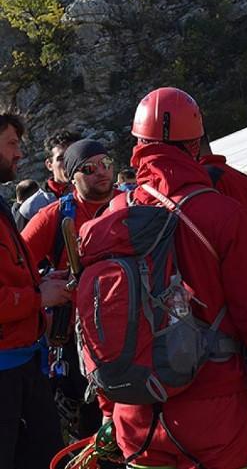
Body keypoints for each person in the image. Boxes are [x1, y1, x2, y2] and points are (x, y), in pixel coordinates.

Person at [81, 87, 247, 469]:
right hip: (214, 412)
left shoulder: (113, 213)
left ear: (138, 143)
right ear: (196, 141)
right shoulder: (222, 214)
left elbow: (98, 320)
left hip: (136, 414)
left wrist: (108, 404)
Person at [22, 139, 121, 441]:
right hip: (77, 338)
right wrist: (41, 289)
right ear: (72, 175)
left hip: (129, 331)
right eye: (89, 169)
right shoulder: (56, 215)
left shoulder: (130, 206)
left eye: (106, 164)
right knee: (88, 425)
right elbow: (14, 265)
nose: (101, 173)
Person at [0, 113, 68, 468]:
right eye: (12, 143)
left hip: (23, 362)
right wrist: (39, 297)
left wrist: (40, 283)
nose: (19, 154)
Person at [16, 129, 81, 228]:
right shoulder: (31, 209)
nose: (68, 163)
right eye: (61, 159)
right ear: (49, 165)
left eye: (73, 156)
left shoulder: (99, 194)